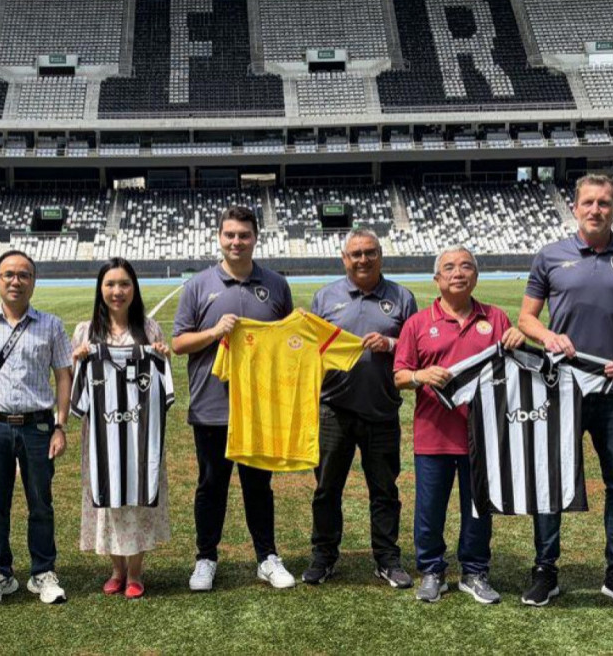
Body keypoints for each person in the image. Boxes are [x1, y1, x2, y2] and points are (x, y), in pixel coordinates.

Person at [518, 173, 613, 610]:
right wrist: (547, 337)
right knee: (551, 480)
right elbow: (526, 318)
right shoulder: (549, 256)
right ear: (574, 207)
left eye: (604, 203)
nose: (596, 209)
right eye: (588, 202)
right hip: (560, 387)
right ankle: (545, 569)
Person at [172, 205, 296, 592]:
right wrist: (213, 333)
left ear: (255, 238)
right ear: (219, 238)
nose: (236, 242)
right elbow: (178, 343)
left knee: (259, 486)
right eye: (230, 235)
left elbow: (289, 343)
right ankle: (206, 558)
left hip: (261, 407)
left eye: (243, 235)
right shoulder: (198, 285)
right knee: (211, 485)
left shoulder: (276, 285)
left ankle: (266, 557)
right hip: (212, 406)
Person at [393, 246, 524, 605]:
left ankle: (475, 571)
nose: (458, 272)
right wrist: (421, 375)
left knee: (479, 509)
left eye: (466, 266)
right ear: (437, 279)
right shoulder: (418, 323)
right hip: (433, 435)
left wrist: (516, 338)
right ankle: (432, 571)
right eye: (449, 267)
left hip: (484, 435)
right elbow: (399, 375)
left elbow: (513, 367)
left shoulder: (495, 318)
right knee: (430, 509)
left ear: (476, 276)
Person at [0, 250, 73, 607]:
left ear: (33, 282)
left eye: (23, 275)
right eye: (8, 274)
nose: (15, 281)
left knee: (41, 502)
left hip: (38, 426)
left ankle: (42, 572)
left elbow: (63, 374)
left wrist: (61, 426)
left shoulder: (50, 324)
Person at [303, 228, 417, 588]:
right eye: (356, 254)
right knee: (326, 489)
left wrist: (391, 342)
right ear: (344, 259)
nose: (363, 259)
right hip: (333, 410)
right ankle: (324, 556)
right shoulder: (325, 298)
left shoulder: (402, 297)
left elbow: (416, 350)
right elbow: (310, 352)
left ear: (380, 255)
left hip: (382, 411)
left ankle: (387, 558)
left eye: (370, 252)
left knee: (384, 490)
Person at [69, 258, 172, 600]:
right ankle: (117, 569)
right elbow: (73, 384)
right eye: (111, 284)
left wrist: (161, 356)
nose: (117, 291)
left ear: (134, 289)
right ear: (100, 289)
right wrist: (78, 358)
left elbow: (163, 378)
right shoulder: (86, 331)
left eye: (124, 284)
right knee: (108, 499)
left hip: (141, 437)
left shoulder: (150, 328)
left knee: (139, 499)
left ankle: (137, 572)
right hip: (101, 436)